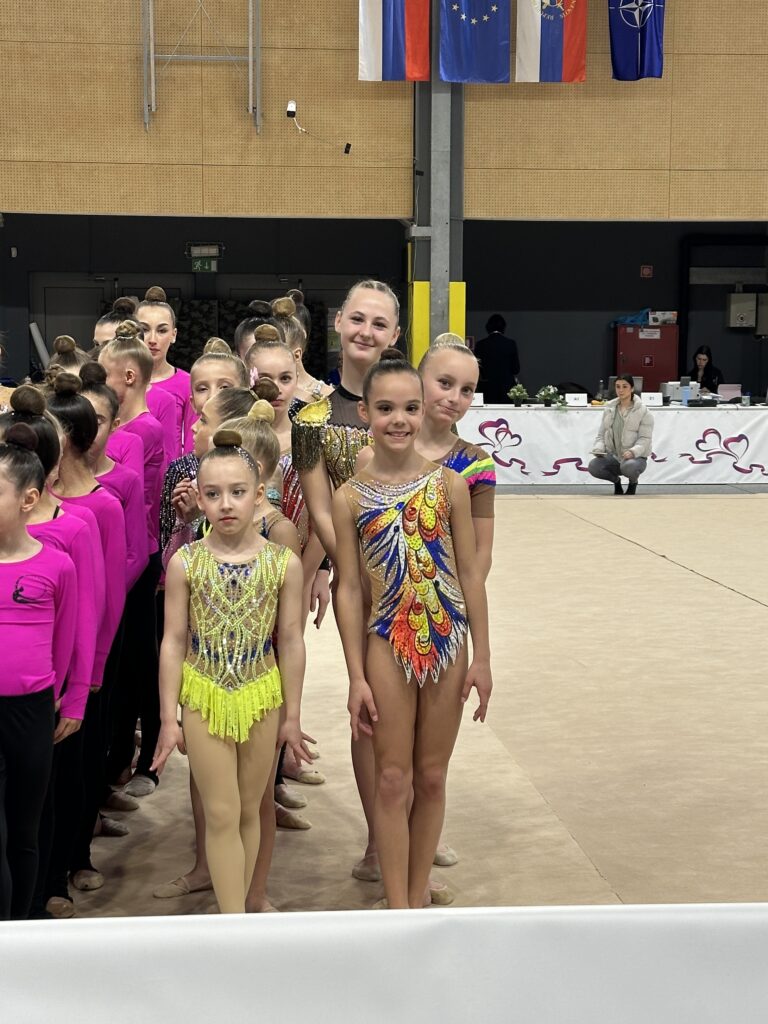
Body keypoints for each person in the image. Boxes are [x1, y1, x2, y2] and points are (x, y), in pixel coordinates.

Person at [332, 354, 493, 909]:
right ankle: (397, 905)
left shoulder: (449, 486)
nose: (398, 420)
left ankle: (417, 898)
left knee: (431, 777)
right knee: (392, 778)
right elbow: (349, 590)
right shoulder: (350, 496)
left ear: (422, 410)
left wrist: (483, 657)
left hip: (447, 643)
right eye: (385, 408)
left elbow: (469, 573)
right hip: (385, 641)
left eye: (409, 408)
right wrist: (355, 674)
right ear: (365, 413)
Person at [151, 428, 310, 914]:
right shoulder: (186, 563)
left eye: (237, 492)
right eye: (214, 494)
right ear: (199, 499)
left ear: (259, 494)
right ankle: (232, 922)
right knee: (220, 812)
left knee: (248, 810)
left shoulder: (283, 563)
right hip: (203, 694)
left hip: (262, 693)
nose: (225, 504)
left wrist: (292, 715)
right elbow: (173, 641)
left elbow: (292, 641)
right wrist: (168, 718)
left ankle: (243, 910)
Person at [291, 278, 401, 881]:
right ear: (338, 323)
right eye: (357, 319)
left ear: (395, 334)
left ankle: (412, 825)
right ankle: (379, 841)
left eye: (379, 323)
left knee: (416, 711)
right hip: (361, 585)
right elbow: (320, 509)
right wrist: (355, 572)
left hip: (419, 582)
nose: (366, 331)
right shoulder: (312, 417)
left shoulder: (409, 402)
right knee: (373, 707)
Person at [0, 391, 96, 919]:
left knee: (25, 830)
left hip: (33, 709)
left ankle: (27, 922)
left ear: (28, 499)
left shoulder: (56, 563)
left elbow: (70, 637)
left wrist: (73, 697)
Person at [98, 322, 166, 798]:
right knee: (122, 664)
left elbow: (139, 503)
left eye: (103, 376)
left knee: (142, 660)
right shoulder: (121, 428)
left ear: (127, 376)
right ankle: (120, 753)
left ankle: (146, 759)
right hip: (121, 555)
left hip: (139, 558)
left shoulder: (145, 429)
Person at [138, 286, 196, 459]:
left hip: (174, 473)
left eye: (162, 330)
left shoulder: (187, 383)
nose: (152, 340)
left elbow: (192, 442)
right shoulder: (121, 381)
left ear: (174, 335)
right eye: (144, 330)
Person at [588, 374, 653, 495]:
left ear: (632, 389)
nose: (621, 390)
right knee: (593, 466)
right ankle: (616, 481)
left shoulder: (644, 411)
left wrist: (633, 452)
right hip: (614, 456)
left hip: (635, 458)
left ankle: (633, 482)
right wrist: (599, 449)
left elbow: (645, 439)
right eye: (618, 386)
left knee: (629, 467)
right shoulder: (609, 409)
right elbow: (601, 435)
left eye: (625, 386)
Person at [473, 314, 520, 404]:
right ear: (504, 328)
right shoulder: (510, 344)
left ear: (488, 327)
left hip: (487, 388)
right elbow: (516, 369)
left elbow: (477, 368)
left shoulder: (480, 344)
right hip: (507, 388)